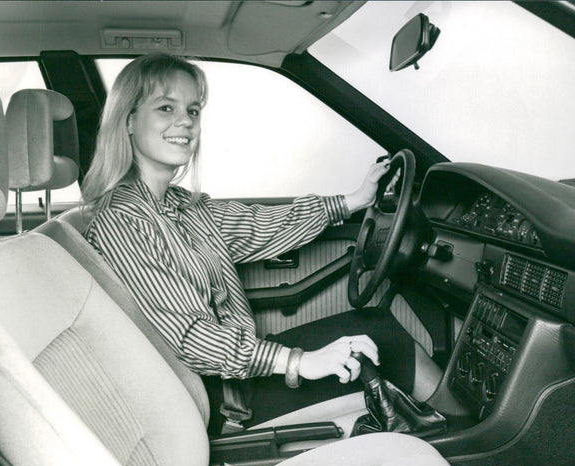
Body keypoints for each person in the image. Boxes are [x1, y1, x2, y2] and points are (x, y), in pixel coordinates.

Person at [81, 53, 419, 430]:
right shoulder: (122, 221)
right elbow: (192, 339)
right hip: (220, 401)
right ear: (128, 120)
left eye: (193, 111)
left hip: (235, 375)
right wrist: (300, 362)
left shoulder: (180, 205)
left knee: (377, 328)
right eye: (165, 107)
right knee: (394, 347)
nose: (185, 123)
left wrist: (352, 201)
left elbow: (260, 225)